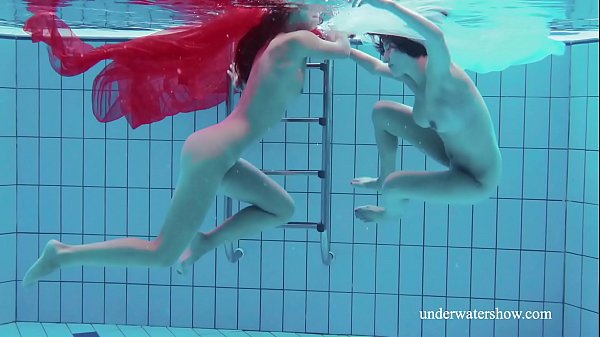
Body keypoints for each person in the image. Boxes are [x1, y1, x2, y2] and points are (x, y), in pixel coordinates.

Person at [22, 4, 351, 286]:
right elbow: (342, 49)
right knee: (162, 253)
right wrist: (343, 26)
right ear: (289, 11)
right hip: (214, 155)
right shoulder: (292, 42)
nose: (319, 15)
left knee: (282, 209)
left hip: (219, 153)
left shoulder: (279, 46)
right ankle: (61, 255)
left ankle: (206, 240)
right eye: (314, 10)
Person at [348, 0, 502, 222]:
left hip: (475, 179)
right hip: (449, 151)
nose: (385, 57)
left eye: (389, 48)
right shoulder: (412, 75)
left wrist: (387, 5)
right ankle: (383, 178)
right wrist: (340, 46)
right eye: (384, 49)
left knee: (395, 187)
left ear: (409, 43)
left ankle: (390, 213)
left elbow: (436, 38)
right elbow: (374, 67)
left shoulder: (442, 77)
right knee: (381, 112)